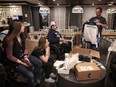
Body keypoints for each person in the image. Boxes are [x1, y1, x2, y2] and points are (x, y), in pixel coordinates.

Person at [3, 21, 42, 87]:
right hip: (15, 61)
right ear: (17, 28)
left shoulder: (22, 36)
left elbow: (26, 48)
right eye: (22, 26)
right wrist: (22, 62)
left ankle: (34, 80)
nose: (24, 27)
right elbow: (9, 56)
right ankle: (31, 82)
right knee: (30, 75)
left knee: (39, 63)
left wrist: (25, 56)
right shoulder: (9, 40)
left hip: (23, 56)